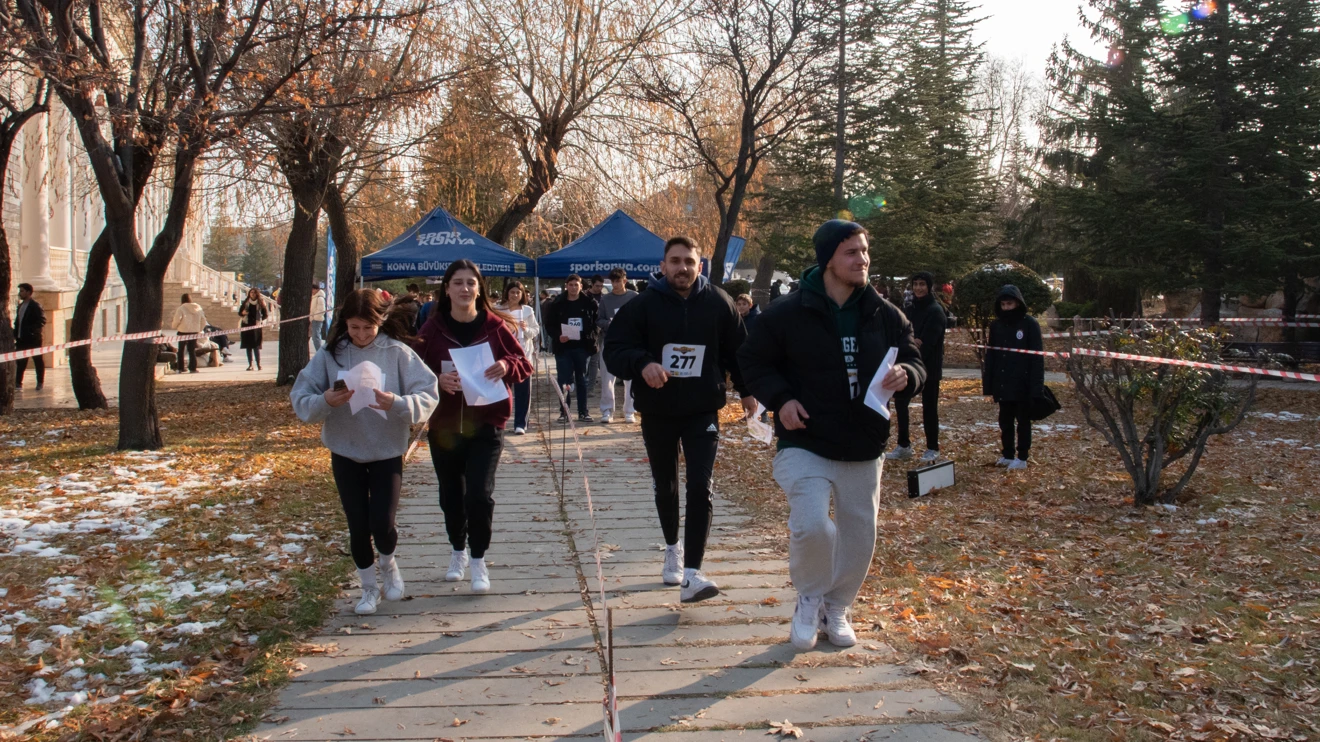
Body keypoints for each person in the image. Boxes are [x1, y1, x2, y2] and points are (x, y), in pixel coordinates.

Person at [738, 219, 925, 650]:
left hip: (863, 442)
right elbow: (752, 361)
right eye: (851, 252)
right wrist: (781, 399)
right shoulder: (787, 313)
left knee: (860, 533)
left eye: (864, 251)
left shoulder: (885, 313)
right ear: (828, 261)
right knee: (813, 527)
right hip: (805, 440)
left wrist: (908, 374)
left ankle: (837, 606)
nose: (862, 260)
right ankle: (809, 596)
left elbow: (916, 359)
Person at [604, 237, 755, 603]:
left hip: (703, 407)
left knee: (700, 485)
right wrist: (643, 363)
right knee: (666, 484)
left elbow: (740, 350)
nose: (682, 268)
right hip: (658, 409)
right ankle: (673, 547)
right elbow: (614, 351)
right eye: (675, 261)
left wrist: (748, 391)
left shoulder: (718, 302)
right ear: (663, 265)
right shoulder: (642, 305)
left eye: (689, 261)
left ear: (699, 266)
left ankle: (693, 573)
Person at [290, 289, 440, 615]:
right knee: (357, 524)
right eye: (354, 328)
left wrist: (398, 403)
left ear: (380, 321)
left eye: (367, 328)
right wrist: (325, 401)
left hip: (387, 448)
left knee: (382, 522)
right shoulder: (331, 355)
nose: (360, 335)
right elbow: (301, 396)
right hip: (346, 449)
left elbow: (428, 393)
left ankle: (389, 564)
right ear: (345, 323)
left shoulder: (398, 352)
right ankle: (368, 588)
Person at [416, 260, 532, 593]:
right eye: (458, 283)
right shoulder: (433, 328)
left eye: (471, 283)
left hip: (487, 424)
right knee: (452, 496)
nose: (465, 289)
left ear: (479, 288)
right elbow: (413, 369)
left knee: (479, 496)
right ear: (447, 289)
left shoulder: (495, 326)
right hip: (446, 427)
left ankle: (479, 560)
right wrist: (437, 379)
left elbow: (523, 363)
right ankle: (458, 551)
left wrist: (504, 365)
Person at [982, 285, 1044, 471]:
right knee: (1005, 421)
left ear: (1018, 303)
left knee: (1023, 422)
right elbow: (991, 355)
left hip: (1022, 383)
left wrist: (1036, 387)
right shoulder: (996, 326)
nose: (1007, 308)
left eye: (1010, 304)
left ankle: (1022, 456)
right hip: (1003, 381)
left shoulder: (1029, 324)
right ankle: (1007, 453)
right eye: (1003, 304)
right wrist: (989, 384)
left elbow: (1036, 357)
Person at [887, 272, 947, 463]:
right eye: (916, 284)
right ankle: (904, 445)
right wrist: (913, 342)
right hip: (907, 366)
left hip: (930, 368)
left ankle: (932, 447)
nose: (919, 288)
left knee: (929, 408)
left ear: (930, 287)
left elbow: (928, 342)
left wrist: (912, 343)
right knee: (901, 403)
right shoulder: (909, 309)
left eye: (922, 284)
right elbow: (902, 336)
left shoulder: (936, 311)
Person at [543, 275, 598, 422]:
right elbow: (549, 324)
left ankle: (583, 412)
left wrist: (591, 335)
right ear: (566, 285)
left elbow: (596, 322)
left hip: (582, 347)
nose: (574, 288)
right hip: (563, 348)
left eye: (576, 285)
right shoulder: (557, 302)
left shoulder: (589, 302)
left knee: (582, 380)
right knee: (564, 380)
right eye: (571, 285)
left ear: (581, 286)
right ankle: (564, 412)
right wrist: (557, 335)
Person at [497, 280, 540, 435]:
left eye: (518, 292)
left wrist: (525, 329)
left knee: (523, 390)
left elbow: (535, 330)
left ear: (522, 294)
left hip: (523, 355)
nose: (515, 295)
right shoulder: (498, 309)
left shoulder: (527, 310)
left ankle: (521, 423)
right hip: (503, 355)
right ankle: (500, 421)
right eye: (512, 292)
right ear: (507, 293)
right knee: (503, 390)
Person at [596, 268, 638, 423]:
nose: (615, 284)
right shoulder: (606, 299)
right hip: (611, 341)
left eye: (618, 281)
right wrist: (609, 323)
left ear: (624, 281)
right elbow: (599, 320)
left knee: (631, 378)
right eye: (613, 281)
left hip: (630, 342)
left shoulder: (634, 297)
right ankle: (607, 410)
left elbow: (641, 317)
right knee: (607, 377)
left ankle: (630, 410)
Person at [13, 283, 47, 390]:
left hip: (33, 339)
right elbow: (18, 322)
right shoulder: (20, 306)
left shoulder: (35, 306)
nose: (20, 293)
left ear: (28, 292)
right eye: (20, 291)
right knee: (20, 362)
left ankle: (40, 382)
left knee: (37, 360)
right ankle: (18, 383)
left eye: (22, 291)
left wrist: (31, 331)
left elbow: (42, 320)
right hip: (21, 339)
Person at [170, 293, 208, 373]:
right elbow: (203, 320)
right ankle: (193, 368)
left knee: (181, 350)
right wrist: (199, 329)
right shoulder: (198, 308)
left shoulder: (181, 308)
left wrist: (174, 326)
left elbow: (177, 319)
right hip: (194, 331)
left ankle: (180, 368)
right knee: (192, 350)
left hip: (183, 331)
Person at [239, 288, 268, 371]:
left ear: (257, 294)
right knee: (248, 347)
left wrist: (260, 320)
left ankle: (258, 364)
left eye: (254, 293)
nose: (252, 294)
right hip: (246, 326)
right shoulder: (246, 302)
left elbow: (265, 314)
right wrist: (243, 313)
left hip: (256, 328)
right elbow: (240, 313)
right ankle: (250, 365)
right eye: (251, 293)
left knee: (256, 346)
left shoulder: (260, 303)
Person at [585, 275, 606, 392]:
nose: (599, 288)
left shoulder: (604, 298)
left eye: (601, 286)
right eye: (597, 286)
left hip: (599, 332)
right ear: (592, 284)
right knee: (585, 361)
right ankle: (582, 385)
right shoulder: (585, 296)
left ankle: (590, 387)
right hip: (587, 332)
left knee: (594, 360)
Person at [310, 283, 328, 351]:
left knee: (316, 336)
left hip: (317, 319)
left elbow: (321, 310)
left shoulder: (320, 298)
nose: (312, 291)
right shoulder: (314, 297)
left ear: (316, 289)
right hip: (313, 319)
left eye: (313, 289)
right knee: (315, 336)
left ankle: (319, 351)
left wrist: (315, 317)